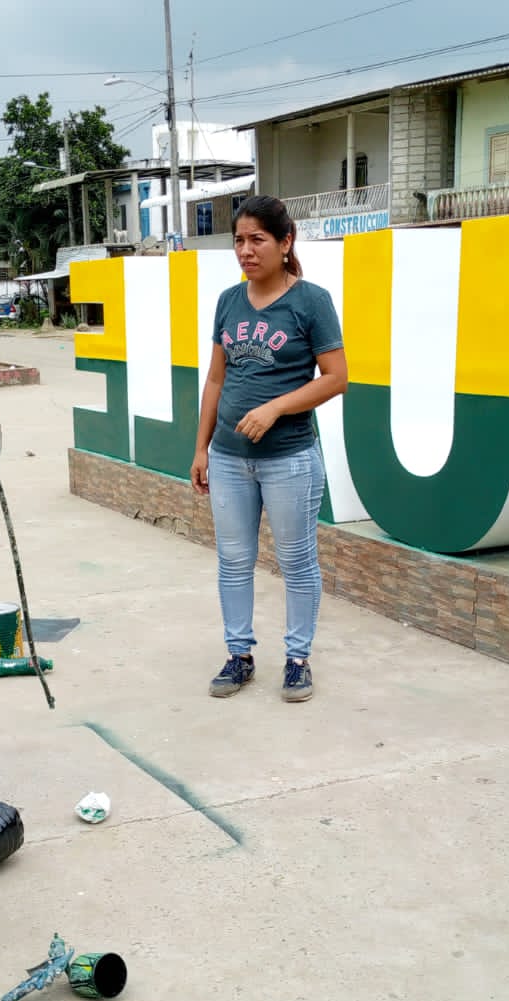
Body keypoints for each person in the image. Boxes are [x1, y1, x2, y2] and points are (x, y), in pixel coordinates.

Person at [190, 195, 348, 703]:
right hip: (229, 458)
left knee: (296, 562)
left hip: (290, 460)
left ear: (285, 242)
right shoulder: (228, 302)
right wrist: (201, 448)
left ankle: (297, 660)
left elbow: (337, 378)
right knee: (234, 561)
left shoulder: (311, 301)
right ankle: (239, 655)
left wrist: (275, 408)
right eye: (239, 240)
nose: (246, 250)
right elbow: (216, 379)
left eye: (257, 239)